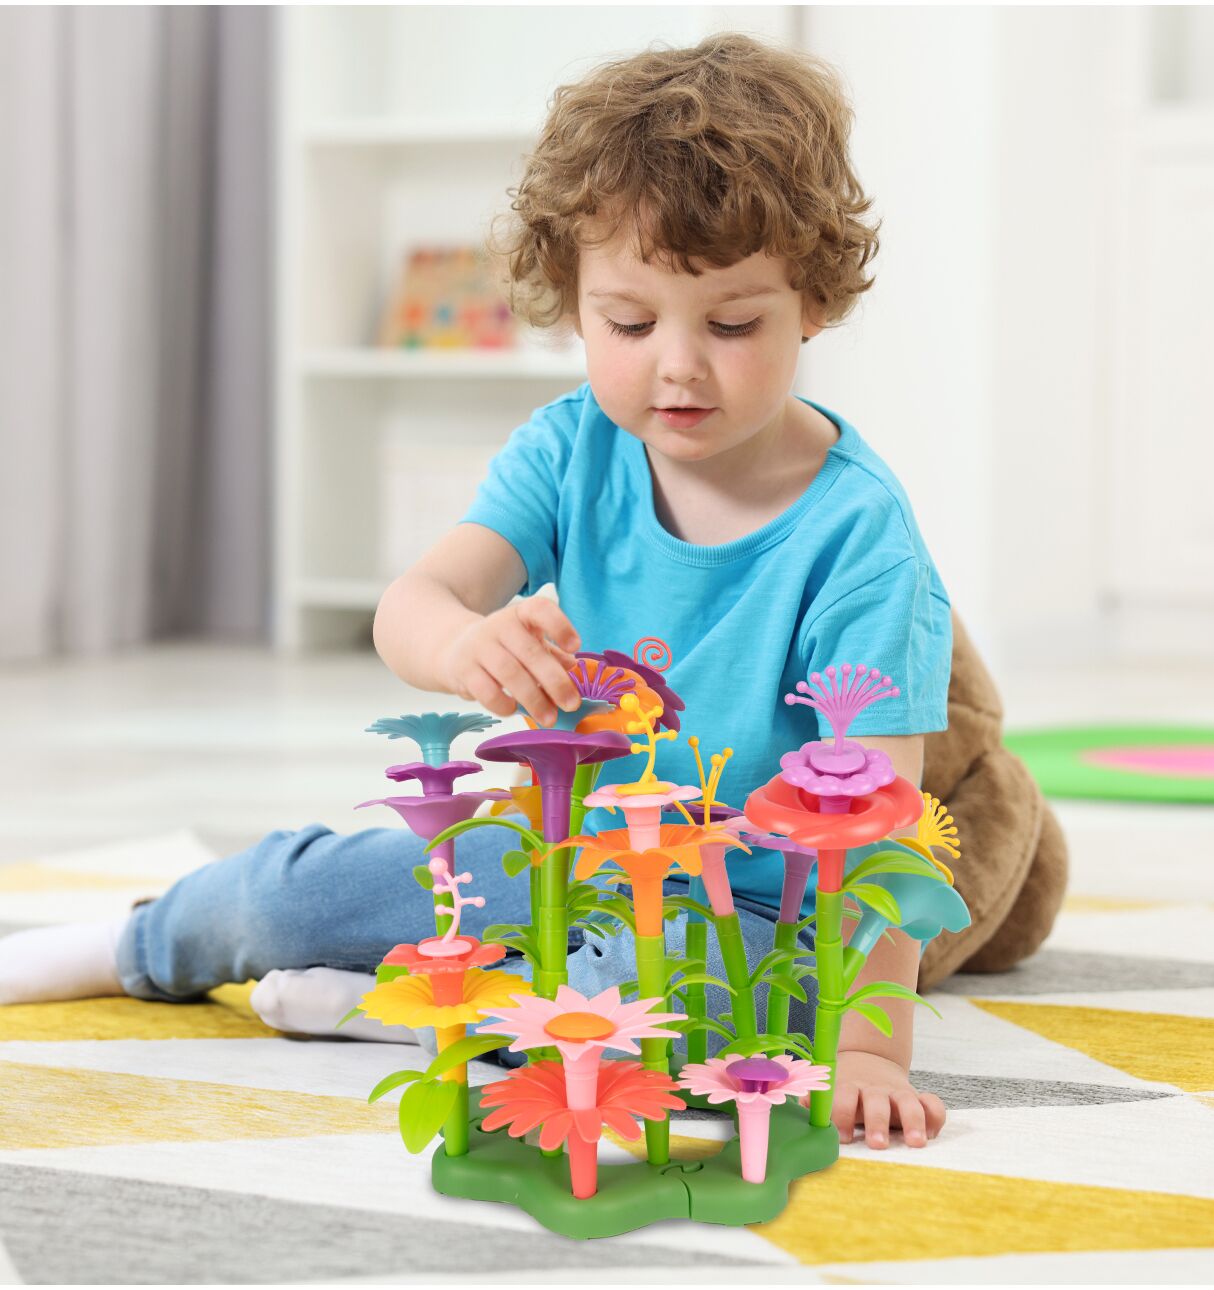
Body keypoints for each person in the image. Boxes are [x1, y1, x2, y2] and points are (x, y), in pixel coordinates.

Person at [0, 32, 1067, 1151]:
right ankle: (130, 946)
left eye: (732, 323)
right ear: (571, 301)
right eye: (629, 322)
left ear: (814, 301)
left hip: (746, 912)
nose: (677, 364)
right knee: (294, 897)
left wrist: (869, 1051)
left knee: (712, 1023)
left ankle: (412, 1014)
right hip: (562, 860)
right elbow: (416, 601)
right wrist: (463, 646)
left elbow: (881, 832)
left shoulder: (861, 538)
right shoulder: (569, 450)